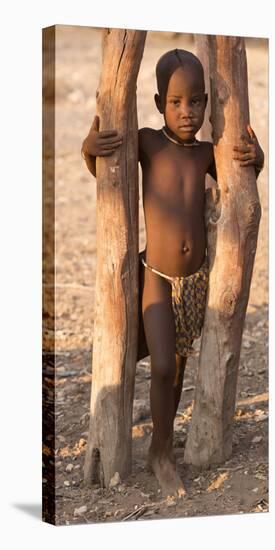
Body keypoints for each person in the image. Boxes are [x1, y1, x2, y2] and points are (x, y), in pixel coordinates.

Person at [81, 48, 264, 497]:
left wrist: (256, 156)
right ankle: (160, 455)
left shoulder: (207, 153)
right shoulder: (148, 142)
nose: (188, 112)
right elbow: (104, 166)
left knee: (177, 370)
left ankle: (160, 447)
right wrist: (89, 148)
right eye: (177, 102)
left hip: (197, 281)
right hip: (157, 273)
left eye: (197, 101)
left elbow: (246, 175)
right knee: (162, 363)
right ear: (160, 100)